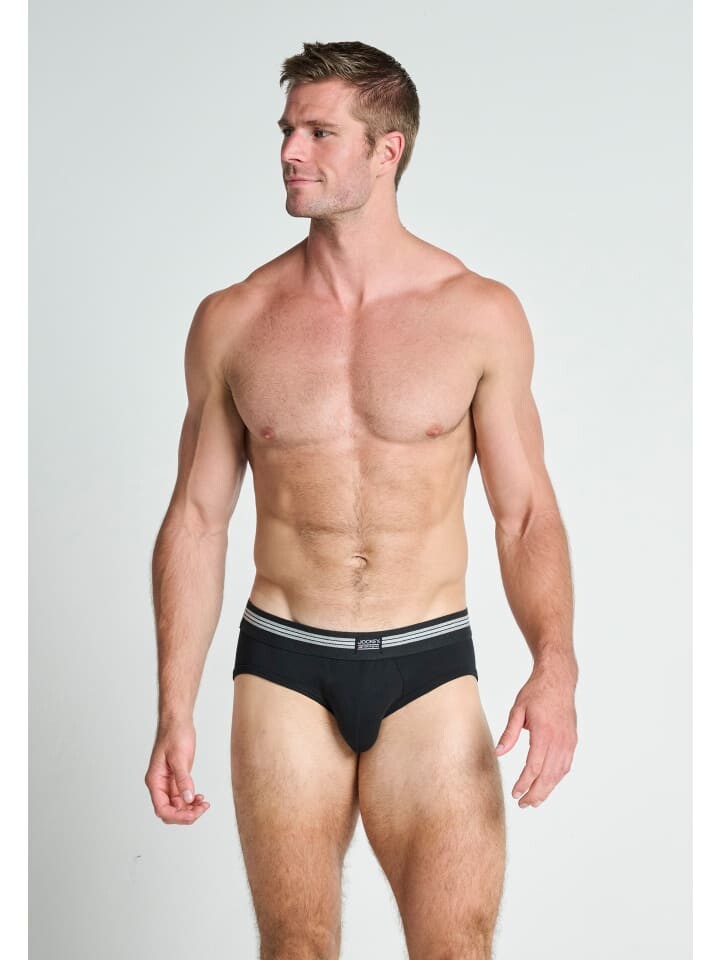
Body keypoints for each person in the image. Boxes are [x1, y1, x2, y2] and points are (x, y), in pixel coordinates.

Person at [144, 40, 579, 960]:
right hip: (283, 663)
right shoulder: (234, 319)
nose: (289, 151)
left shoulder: (476, 313)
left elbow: (525, 515)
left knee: (454, 945)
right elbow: (197, 519)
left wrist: (556, 665)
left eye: (318, 132)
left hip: (429, 663)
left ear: (388, 151)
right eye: (287, 130)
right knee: (296, 948)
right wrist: (173, 707)